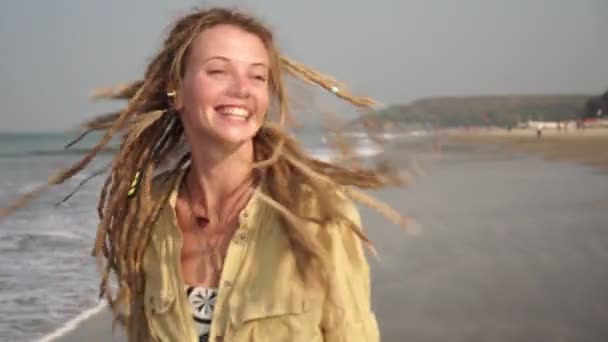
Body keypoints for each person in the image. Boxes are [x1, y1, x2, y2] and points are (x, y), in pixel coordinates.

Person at [1, 7, 410, 342]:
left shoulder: (316, 213)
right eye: (218, 71)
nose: (242, 88)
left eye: (257, 75)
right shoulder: (147, 213)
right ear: (176, 90)